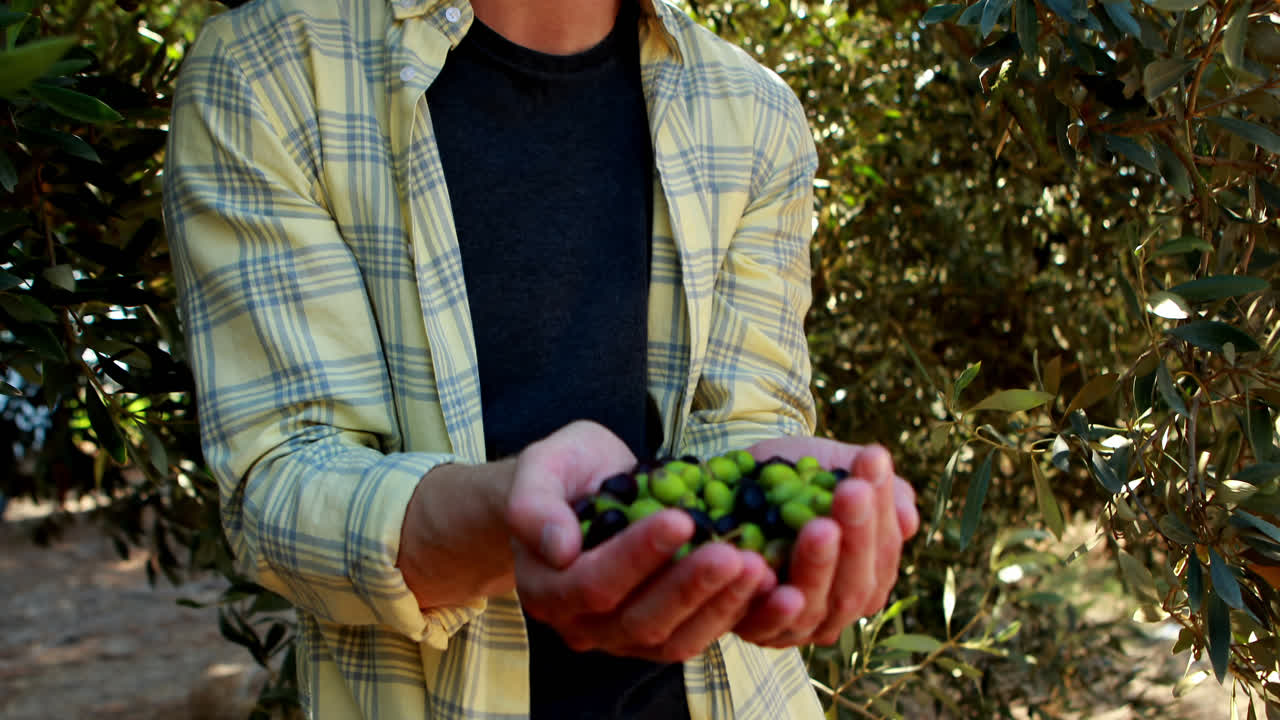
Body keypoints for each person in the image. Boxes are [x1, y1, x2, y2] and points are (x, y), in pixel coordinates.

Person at [162, 0, 920, 718]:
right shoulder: (270, 73)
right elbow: (285, 489)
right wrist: (514, 512)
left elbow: (741, 432)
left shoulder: (753, 114)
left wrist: (787, 542)